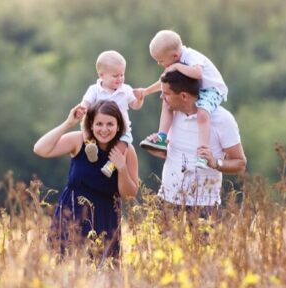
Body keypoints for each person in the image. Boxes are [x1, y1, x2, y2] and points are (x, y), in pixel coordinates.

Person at [33, 101, 140, 258]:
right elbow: (40, 149)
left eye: (110, 124)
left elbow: (129, 195)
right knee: (63, 270)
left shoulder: (126, 150)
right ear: (91, 124)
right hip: (71, 215)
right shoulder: (79, 141)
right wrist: (68, 123)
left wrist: (122, 168)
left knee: (102, 275)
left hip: (105, 219)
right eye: (99, 124)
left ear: (118, 126)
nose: (104, 129)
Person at [141, 70, 245, 218]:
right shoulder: (171, 115)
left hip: (205, 206)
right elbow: (174, 155)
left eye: (166, 94)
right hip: (167, 202)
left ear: (183, 96)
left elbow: (240, 163)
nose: (162, 97)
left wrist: (215, 163)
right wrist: (157, 148)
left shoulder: (223, 119)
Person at [135, 30, 229, 170]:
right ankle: (162, 137)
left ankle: (203, 152)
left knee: (202, 113)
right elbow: (164, 81)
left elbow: (198, 73)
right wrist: (146, 91)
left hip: (211, 90)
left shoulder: (191, 57)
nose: (160, 64)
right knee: (167, 100)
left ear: (174, 55)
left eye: (161, 60)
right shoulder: (174, 61)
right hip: (195, 89)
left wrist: (177, 66)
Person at [77, 50, 144, 177]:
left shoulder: (126, 90)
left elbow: (135, 105)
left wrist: (139, 99)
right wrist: (83, 109)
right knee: (85, 126)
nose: (120, 79)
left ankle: (111, 165)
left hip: (121, 129)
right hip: (98, 126)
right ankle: (90, 146)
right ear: (102, 75)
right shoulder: (95, 89)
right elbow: (85, 103)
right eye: (115, 76)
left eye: (122, 75)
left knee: (124, 143)